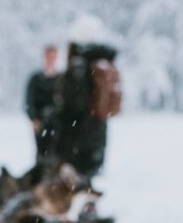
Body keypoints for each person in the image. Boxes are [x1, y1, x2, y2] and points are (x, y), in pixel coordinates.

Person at [54, 40, 122, 178]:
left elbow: (75, 103)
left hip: (79, 130)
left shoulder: (80, 67)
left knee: (76, 177)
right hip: (98, 128)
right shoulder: (105, 67)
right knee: (89, 176)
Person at [24, 45, 60, 161]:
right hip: (41, 123)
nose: (50, 60)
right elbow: (29, 101)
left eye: (53, 57)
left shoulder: (61, 79)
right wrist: (34, 118)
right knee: (42, 154)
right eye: (48, 57)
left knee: (56, 154)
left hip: (57, 124)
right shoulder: (36, 79)